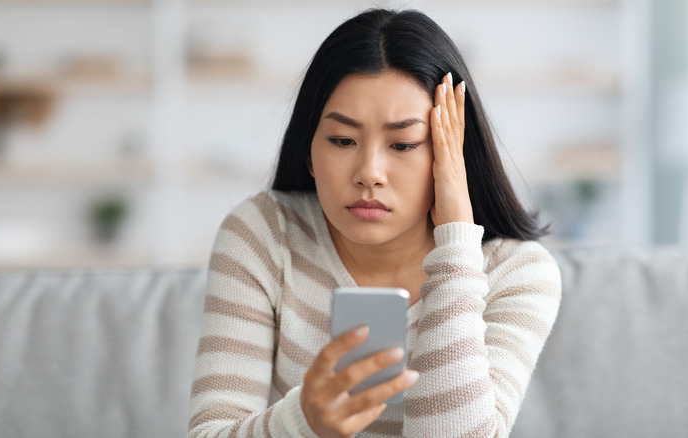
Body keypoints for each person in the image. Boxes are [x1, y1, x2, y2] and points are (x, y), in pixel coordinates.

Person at [187, 8, 561, 438]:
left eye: (403, 144)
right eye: (343, 140)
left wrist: (456, 243)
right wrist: (302, 422)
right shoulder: (263, 234)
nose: (369, 172)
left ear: (451, 154)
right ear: (308, 151)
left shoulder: (518, 273)